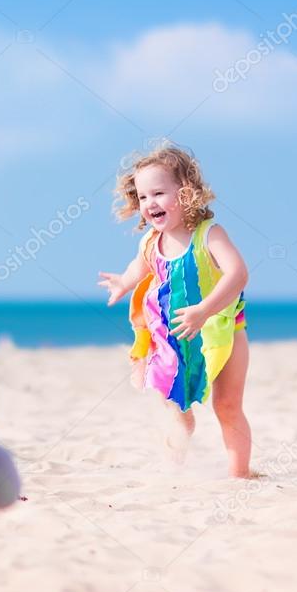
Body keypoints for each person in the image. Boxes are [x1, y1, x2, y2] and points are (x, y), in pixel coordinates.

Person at [98, 144, 254, 478]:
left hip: (224, 332)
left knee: (227, 406)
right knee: (173, 407)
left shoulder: (209, 235)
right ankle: (174, 470)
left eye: (158, 193)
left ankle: (239, 475)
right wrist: (123, 283)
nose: (149, 203)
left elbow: (238, 273)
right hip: (174, 339)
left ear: (185, 194)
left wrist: (204, 310)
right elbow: (138, 268)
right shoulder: (151, 242)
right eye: (142, 197)